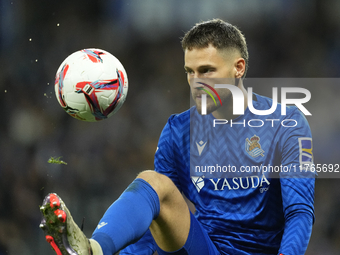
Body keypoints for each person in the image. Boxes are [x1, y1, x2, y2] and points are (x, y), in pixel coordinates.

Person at [39, 19, 315, 255]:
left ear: (238, 68)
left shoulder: (286, 123)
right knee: (153, 182)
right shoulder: (179, 130)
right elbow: (158, 216)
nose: (196, 82)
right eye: (190, 72)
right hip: (203, 248)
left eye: (207, 70)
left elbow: (299, 212)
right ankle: (94, 249)